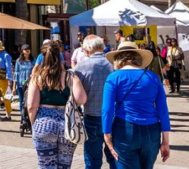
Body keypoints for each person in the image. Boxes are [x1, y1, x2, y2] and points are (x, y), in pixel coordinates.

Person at [101, 41, 172, 168]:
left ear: (117, 59)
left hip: (124, 129)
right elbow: (163, 110)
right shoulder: (153, 77)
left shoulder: (113, 78)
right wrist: (165, 141)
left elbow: (107, 109)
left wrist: (107, 135)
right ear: (138, 58)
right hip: (151, 131)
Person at [27, 41, 87, 169]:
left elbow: (31, 105)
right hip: (66, 123)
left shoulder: (37, 77)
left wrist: (33, 123)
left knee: (46, 164)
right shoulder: (70, 76)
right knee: (64, 165)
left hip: (44, 121)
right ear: (59, 54)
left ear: (43, 56)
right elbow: (82, 99)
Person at [73, 35, 116, 169]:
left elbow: (77, 95)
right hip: (113, 117)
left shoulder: (81, 66)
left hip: (91, 115)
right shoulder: (114, 64)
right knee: (115, 156)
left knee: (92, 158)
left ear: (87, 49)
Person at [13, 44, 34, 129]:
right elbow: (16, 74)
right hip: (20, 84)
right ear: (22, 51)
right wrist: (14, 87)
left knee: (29, 102)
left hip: (30, 85)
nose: (27, 50)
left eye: (28, 49)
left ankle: (29, 118)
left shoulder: (33, 60)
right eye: (25, 49)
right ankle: (22, 118)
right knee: (22, 102)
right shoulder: (19, 61)